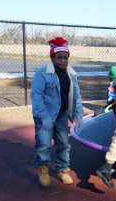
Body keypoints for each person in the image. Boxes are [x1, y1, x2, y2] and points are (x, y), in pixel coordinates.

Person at [30, 37, 84, 187]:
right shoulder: (42, 73)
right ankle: (43, 169)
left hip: (61, 115)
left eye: (65, 58)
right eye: (59, 57)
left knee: (63, 144)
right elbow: (36, 96)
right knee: (44, 143)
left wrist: (79, 114)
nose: (63, 61)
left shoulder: (71, 75)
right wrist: (44, 116)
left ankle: (62, 170)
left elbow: (76, 96)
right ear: (52, 57)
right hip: (44, 116)